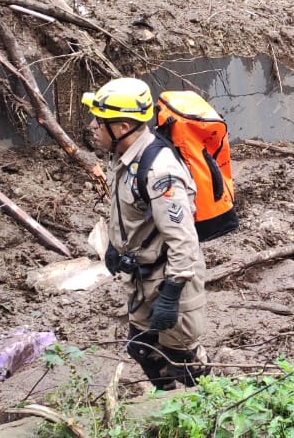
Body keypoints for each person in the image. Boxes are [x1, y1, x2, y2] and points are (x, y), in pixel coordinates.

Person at [82, 77, 209, 390]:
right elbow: (126, 212)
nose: (93, 125)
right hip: (143, 278)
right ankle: (168, 406)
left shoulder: (159, 170)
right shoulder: (123, 159)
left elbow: (184, 239)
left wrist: (172, 294)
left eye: (100, 120)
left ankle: (211, 407)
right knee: (143, 349)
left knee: (185, 362)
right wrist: (114, 245)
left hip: (172, 279)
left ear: (123, 127)